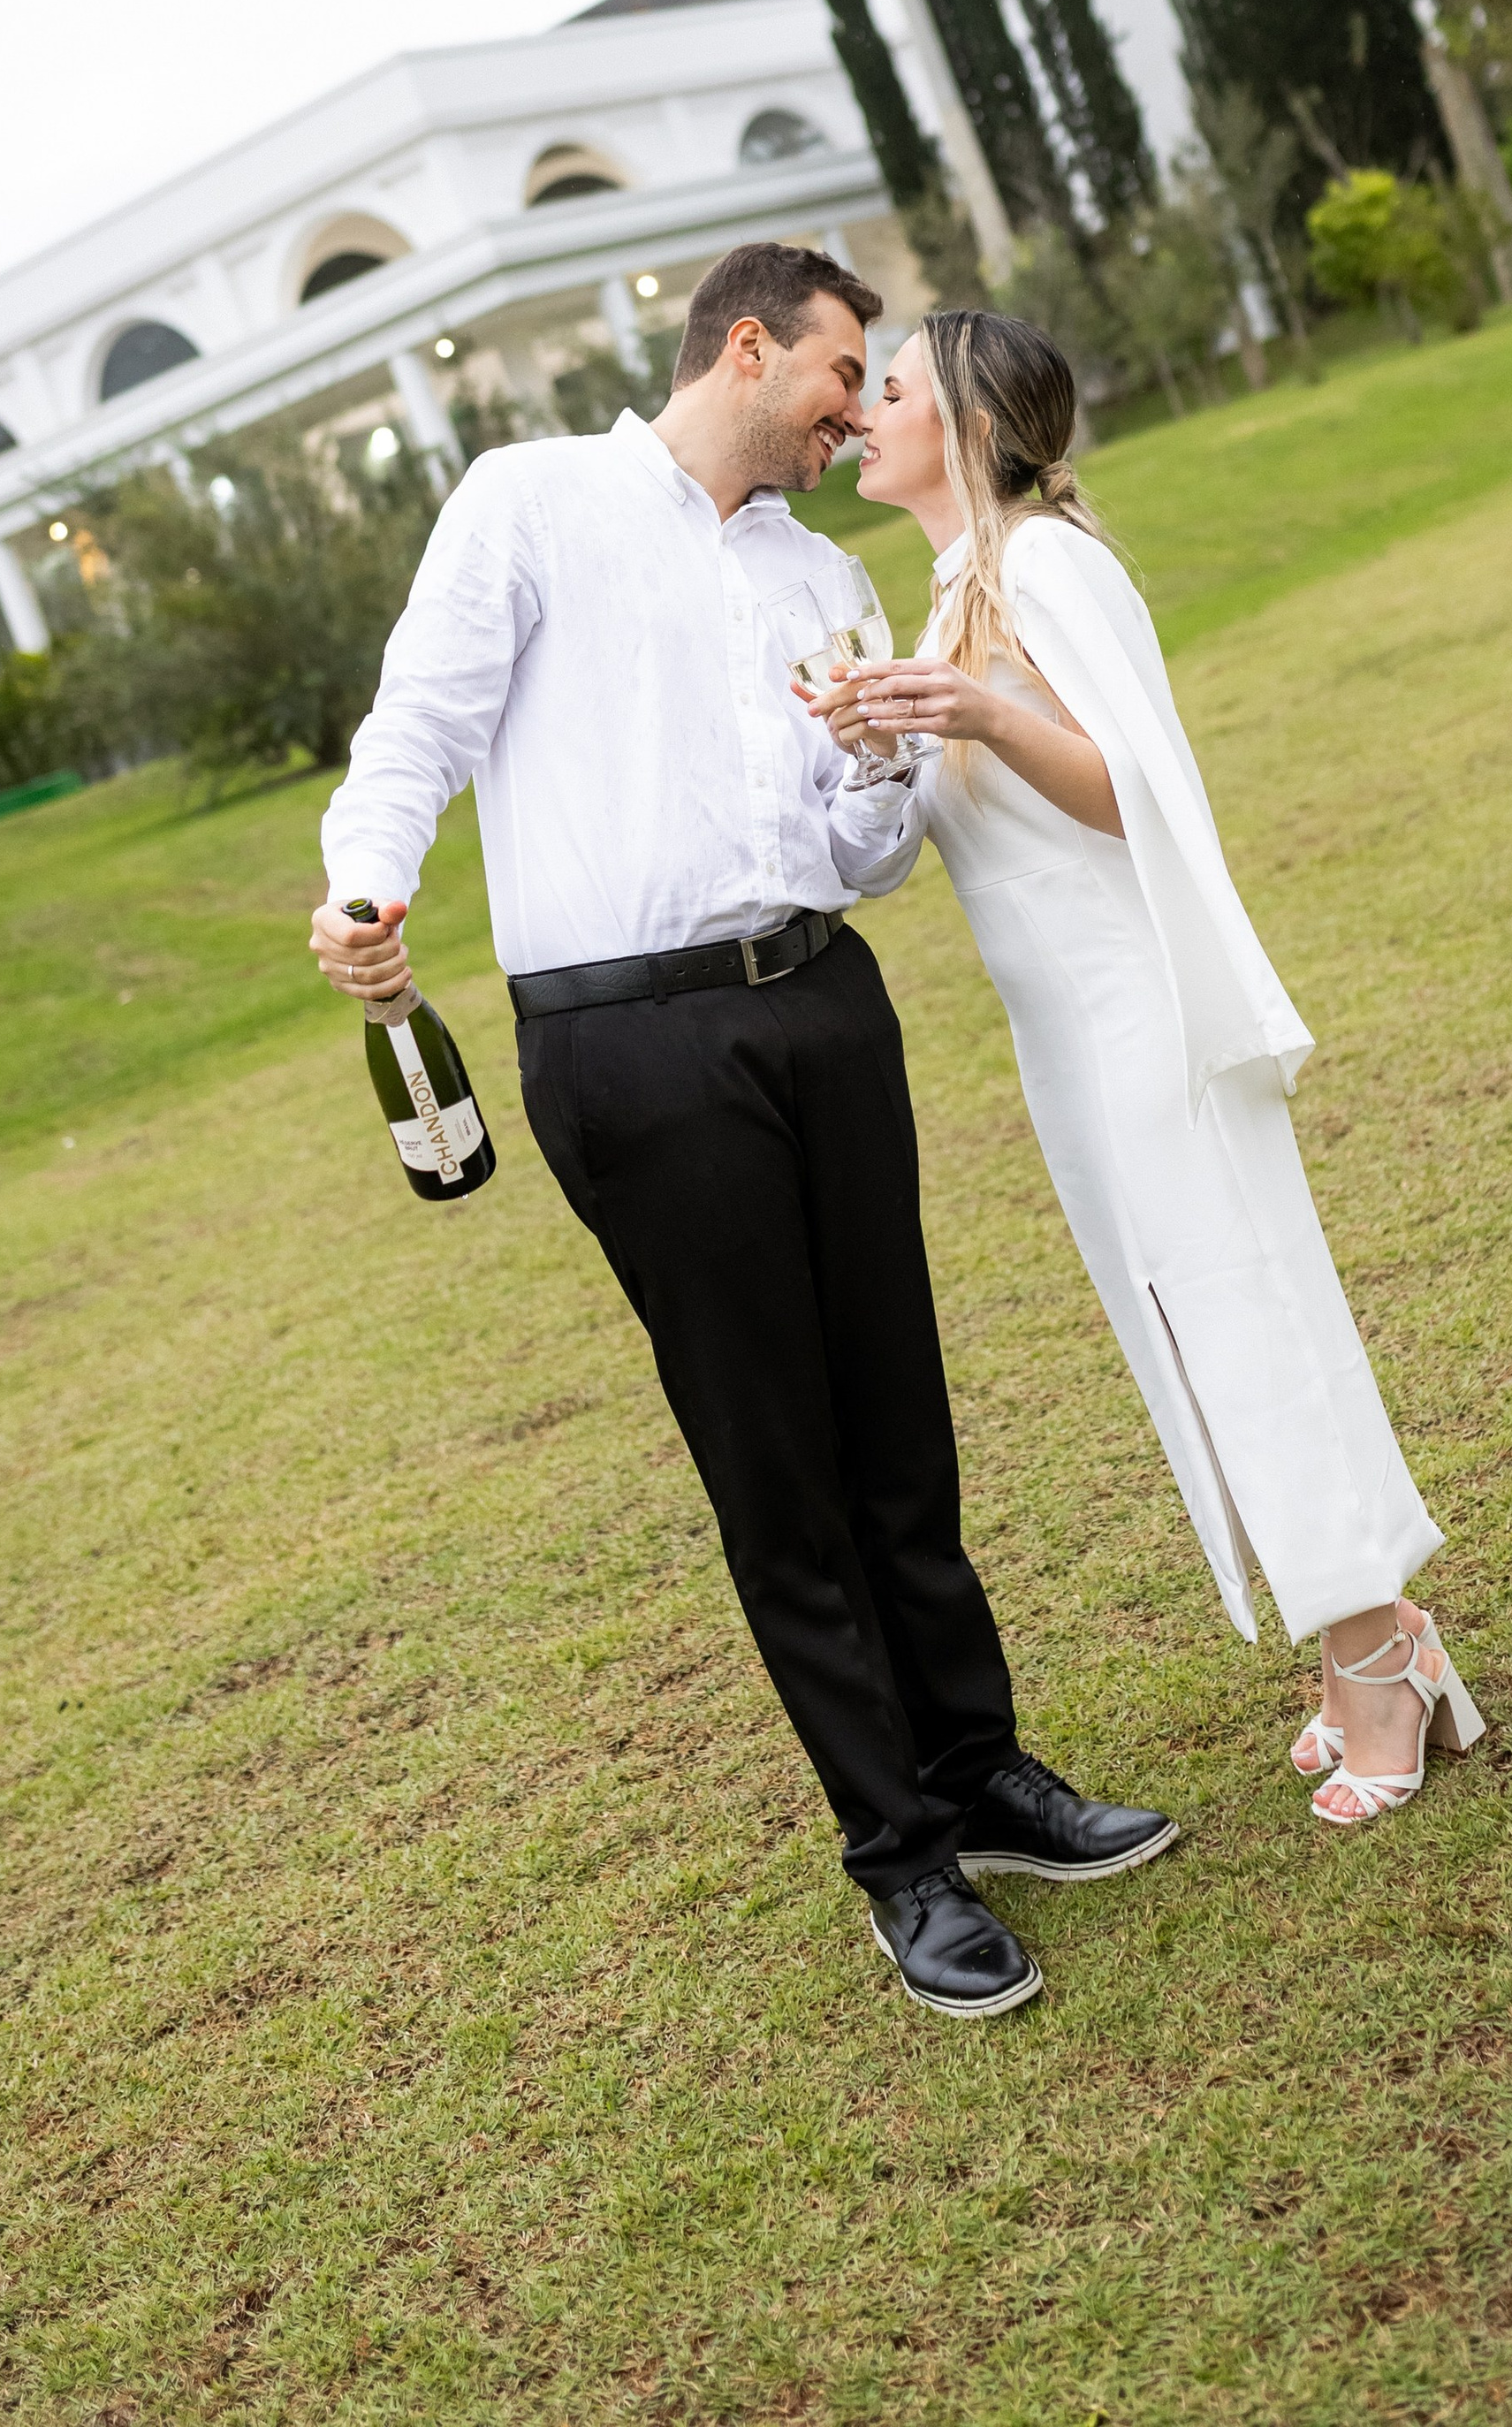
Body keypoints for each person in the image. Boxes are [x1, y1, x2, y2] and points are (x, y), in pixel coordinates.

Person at [308, 241, 1176, 2017]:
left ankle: (982, 1773)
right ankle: (901, 1859)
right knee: (773, 1466)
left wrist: (869, 767)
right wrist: (362, 885)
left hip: (824, 1010)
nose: (855, 414)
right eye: (841, 376)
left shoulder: (815, 577)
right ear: (750, 345)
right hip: (630, 1048)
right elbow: (422, 720)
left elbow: (864, 847)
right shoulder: (530, 503)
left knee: (895, 1423)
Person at [809, 308, 1485, 1828]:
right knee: (1191, 1334)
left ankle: (1382, 1650)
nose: (864, 413)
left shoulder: (1044, 564)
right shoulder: (944, 595)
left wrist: (976, 710)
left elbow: (1141, 799)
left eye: (892, 388)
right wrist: (875, 736)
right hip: (1064, 1040)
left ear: (969, 428)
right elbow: (954, 820)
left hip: (1144, 1017)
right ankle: (1362, 1642)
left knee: (1245, 1316)